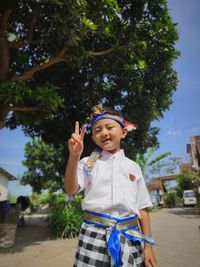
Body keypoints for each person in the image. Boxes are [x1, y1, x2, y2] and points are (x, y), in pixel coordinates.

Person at [65, 104, 158, 267]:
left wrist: (148, 246)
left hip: (130, 236)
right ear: (93, 138)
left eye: (109, 127)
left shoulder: (133, 166)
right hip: (93, 235)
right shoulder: (90, 162)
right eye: (97, 130)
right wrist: (74, 156)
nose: (103, 133)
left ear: (123, 132)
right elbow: (71, 188)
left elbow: (142, 207)